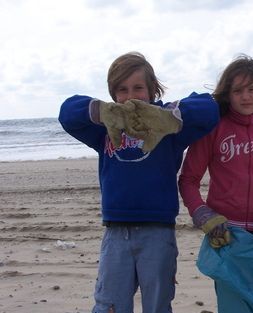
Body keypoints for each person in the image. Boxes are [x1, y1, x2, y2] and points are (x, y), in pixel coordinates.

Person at [58, 52, 219, 313]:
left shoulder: (168, 127)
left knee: (157, 305)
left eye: (138, 88)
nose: (130, 95)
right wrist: (101, 111)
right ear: (113, 93)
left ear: (152, 89)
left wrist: (169, 116)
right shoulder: (105, 130)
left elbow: (209, 108)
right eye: (121, 89)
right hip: (115, 233)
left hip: (158, 232)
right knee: (109, 305)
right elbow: (67, 112)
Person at [178, 55, 253, 310]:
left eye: (252, 89)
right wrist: (203, 216)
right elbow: (188, 180)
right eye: (238, 90)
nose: (246, 96)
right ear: (227, 95)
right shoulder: (212, 130)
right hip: (226, 238)